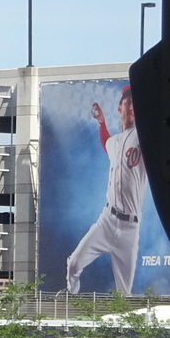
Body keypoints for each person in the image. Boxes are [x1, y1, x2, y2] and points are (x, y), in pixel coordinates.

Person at [65, 84, 144, 294]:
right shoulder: (116, 142)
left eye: (135, 103)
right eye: (128, 102)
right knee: (73, 264)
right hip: (107, 220)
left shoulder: (143, 137)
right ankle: (71, 295)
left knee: (124, 295)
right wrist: (101, 122)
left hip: (130, 228)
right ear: (120, 107)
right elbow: (105, 142)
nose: (132, 107)